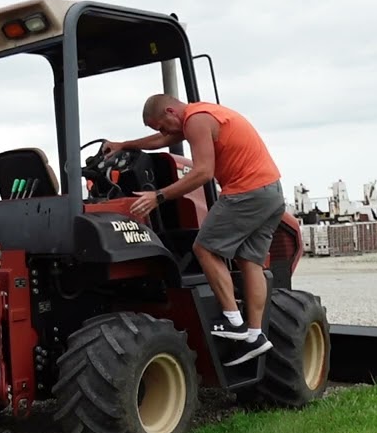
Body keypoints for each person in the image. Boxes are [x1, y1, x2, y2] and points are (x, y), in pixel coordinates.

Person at [101, 93, 285, 366]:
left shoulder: (197, 121)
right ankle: (255, 336)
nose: (163, 133)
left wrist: (158, 196)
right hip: (271, 191)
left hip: (246, 192)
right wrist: (124, 144)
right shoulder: (201, 116)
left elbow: (202, 173)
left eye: (161, 125)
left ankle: (233, 321)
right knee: (250, 262)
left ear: (170, 111)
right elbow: (164, 140)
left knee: (203, 248)